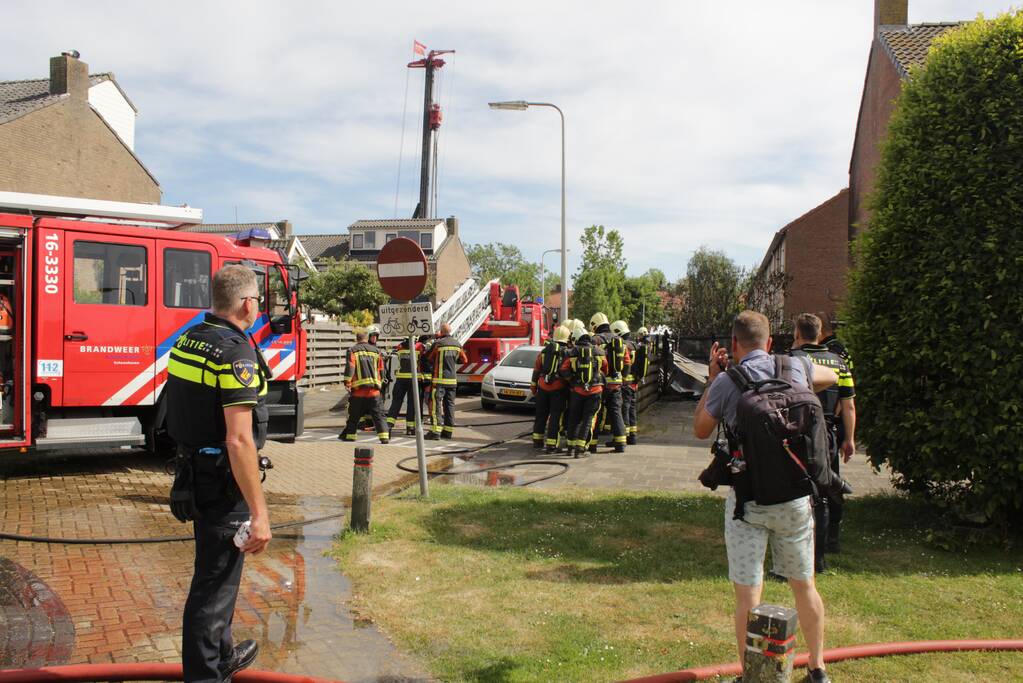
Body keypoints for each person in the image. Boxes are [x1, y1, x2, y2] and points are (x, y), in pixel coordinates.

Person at [692, 310, 836, 683]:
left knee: (747, 595)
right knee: (804, 586)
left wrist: (714, 378)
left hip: (749, 503)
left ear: (734, 344)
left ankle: (750, 675)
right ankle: (817, 667)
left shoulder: (727, 381)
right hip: (794, 499)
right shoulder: (795, 366)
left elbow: (700, 429)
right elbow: (832, 376)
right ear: (771, 343)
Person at [165, 265, 270, 683]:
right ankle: (207, 675)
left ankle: (222, 654)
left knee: (214, 572)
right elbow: (239, 441)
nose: (259, 308)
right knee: (214, 587)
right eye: (259, 301)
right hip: (223, 484)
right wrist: (260, 513)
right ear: (246, 303)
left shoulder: (189, 339)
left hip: (194, 473)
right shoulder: (235, 352)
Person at [791, 313, 856, 561]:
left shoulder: (791, 359)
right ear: (819, 334)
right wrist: (849, 438)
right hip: (829, 433)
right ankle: (830, 541)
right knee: (828, 485)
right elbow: (848, 405)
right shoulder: (839, 363)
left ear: (798, 333)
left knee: (797, 486)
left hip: (798, 429)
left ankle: (799, 540)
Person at [559, 326, 608, 458]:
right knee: (588, 419)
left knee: (573, 418)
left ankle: (570, 447)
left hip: (577, 391)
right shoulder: (599, 351)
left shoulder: (572, 352)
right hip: (595, 390)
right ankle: (580, 448)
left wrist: (572, 380)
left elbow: (563, 370)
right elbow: (605, 368)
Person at [339, 329, 389, 444]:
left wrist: (347, 382)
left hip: (358, 391)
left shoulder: (352, 350)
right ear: (367, 339)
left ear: (357, 339)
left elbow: (350, 367)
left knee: (354, 416)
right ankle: (384, 437)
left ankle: (350, 437)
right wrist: (380, 383)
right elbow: (381, 369)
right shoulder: (377, 351)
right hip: (374, 391)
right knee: (378, 416)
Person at [590, 313, 630, 453]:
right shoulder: (619, 340)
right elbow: (627, 362)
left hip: (600, 383)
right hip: (616, 383)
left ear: (595, 326)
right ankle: (620, 443)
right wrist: (622, 378)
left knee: (596, 412)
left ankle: (592, 444)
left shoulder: (595, 340)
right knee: (616, 412)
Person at [531, 325, 571, 453]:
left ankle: (537, 442)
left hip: (542, 388)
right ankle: (551, 445)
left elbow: (537, 369)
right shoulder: (567, 352)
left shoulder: (544, 351)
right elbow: (567, 371)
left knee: (540, 416)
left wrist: (533, 387)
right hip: (558, 390)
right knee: (555, 417)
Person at [425, 323, 467, 440]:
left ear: (441, 332)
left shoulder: (438, 344)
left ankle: (435, 432)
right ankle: (448, 432)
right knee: (450, 405)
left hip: (439, 381)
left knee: (435, 405)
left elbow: (429, 358)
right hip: (452, 381)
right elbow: (464, 360)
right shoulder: (457, 345)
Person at [386, 336, 426, 437]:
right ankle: (410, 428)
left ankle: (388, 426)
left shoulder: (400, 347)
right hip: (414, 379)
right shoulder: (419, 346)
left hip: (400, 379)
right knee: (412, 403)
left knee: (396, 403)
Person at [624, 325, 650, 445]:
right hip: (635, 382)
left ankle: (625, 436)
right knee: (632, 409)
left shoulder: (640, 346)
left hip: (628, 383)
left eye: (640, 335)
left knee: (626, 408)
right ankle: (633, 436)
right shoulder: (643, 347)